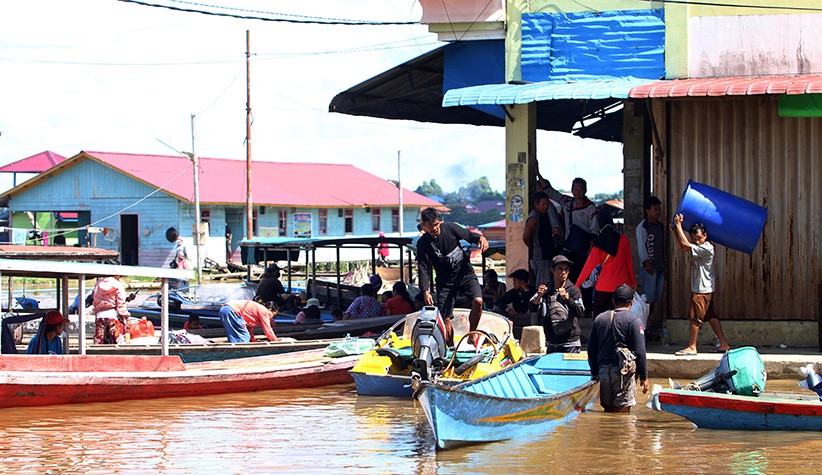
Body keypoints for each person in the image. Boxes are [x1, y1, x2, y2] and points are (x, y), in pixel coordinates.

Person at [416, 207, 489, 344]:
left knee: (478, 301)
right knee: (446, 319)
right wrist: (425, 290)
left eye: (437, 224)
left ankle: (472, 335)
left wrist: (481, 238)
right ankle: (449, 348)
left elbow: (469, 236)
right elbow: (423, 268)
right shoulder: (423, 243)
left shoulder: (451, 228)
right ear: (424, 226)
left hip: (465, 274)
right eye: (431, 226)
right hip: (445, 281)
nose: (435, 228)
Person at [670, 214, 731, 356]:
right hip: (705, 288)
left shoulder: (707, 248)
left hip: (702, 289)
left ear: (705, 235)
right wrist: (674, 232)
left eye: (699, 238)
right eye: (694, 239)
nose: (696, 242)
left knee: (694, 317)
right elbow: (683, 248)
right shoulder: (700, 246)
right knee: (711, 316)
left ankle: (692, 347)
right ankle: (723, 343)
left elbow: (685, 245)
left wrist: (679, 226)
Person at [587, 284, 649, 413]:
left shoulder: (600, 319)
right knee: (623, 413)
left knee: (608, 410)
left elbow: (591, 349)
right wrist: (644, 376)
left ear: (613, 300)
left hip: (603, 371)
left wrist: (595, 373)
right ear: (632, 302)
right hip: (623, 373)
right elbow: (640, 351)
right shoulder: (634, 320)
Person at [535, 174, 600, 282]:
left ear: (585, 190)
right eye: (575, 189)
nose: (577, 192)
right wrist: (538, 173)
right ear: (571, 189)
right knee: (569, 279)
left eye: (580, 189)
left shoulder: (590, 207)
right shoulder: (567, 202)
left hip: (583, 250)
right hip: (569, 248)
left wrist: (590, 249)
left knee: (584, 280)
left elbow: (594, 230)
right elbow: (550, 191)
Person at [576, 213, 636, 318]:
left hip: (603, 286)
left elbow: (587, 268)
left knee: (599, 314)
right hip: (622, 286)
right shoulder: (624, 240)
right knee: (619, 315)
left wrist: (577, 284)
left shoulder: (599, 245)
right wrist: (633, 283)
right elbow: (629, 264)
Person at [531, 255, 584, 353]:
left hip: (570, 343)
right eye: (560, 269)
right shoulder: (545, 289)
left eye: (566, 269)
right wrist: (539, 296)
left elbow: (580, 312)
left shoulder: (573, 290)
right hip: (551, 342)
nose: (563, 272)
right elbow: (532, 308)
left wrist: (568, 299)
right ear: (552, 270)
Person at [523, 191, 564, 286]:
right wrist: (535, 247)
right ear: (536, 204)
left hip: (547, 254)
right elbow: (526, 238)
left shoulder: (544, 215)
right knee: (542, 284)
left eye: (547, 204)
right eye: (543, 204)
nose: (546, 206)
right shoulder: (533, 219)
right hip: (541, 257)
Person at [637, 196, 665, 320]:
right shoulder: (643, 227)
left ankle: (648, 321)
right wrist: (646, 261)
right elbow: (641, 246)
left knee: (656, 297)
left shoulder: (660, 226)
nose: (658, 212)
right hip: (649, 267)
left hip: (660, 266)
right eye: (655, 209)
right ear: (647, 211)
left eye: (659, 209)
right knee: (648, 298)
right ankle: (644, 324)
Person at [493, 269, 536, 339]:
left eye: (515, 281)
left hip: (528, 317)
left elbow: (529, 304)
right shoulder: (514, 292)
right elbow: (499, 301)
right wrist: (508, 309)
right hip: (516, 316)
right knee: (497, 309)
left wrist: (526, 292)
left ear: (522, 282)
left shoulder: (532, 291)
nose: (513, 283)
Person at [92, 276, 135, 344]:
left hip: (100, 316)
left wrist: (96, 313)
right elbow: (121, 304)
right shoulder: (118, 285)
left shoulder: (98, 284)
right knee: (118, 341)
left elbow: (95, 301)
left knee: (100, 342)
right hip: (113, 315)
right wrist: (127, 317)